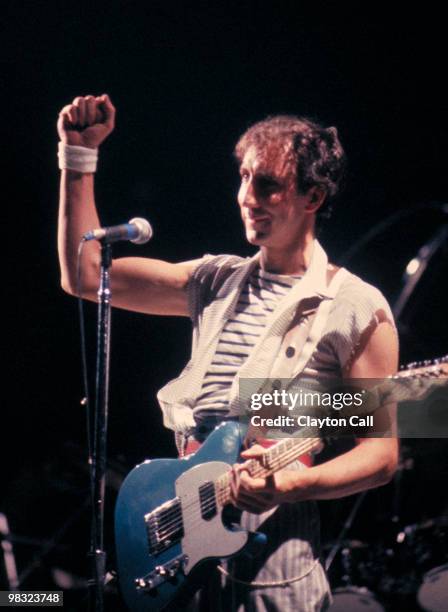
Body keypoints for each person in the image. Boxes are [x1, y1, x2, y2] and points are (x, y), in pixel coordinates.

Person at [57, 95, 399, 611]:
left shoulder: (355, 305)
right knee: (34, 602)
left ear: (313, 196)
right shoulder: (215, 279)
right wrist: (77, 158)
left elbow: (381, 455)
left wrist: (291, 484)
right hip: (183, 546)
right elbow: (84, 276)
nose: (247, 196)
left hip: (272, 566)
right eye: (243, 177)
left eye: (268, 183)